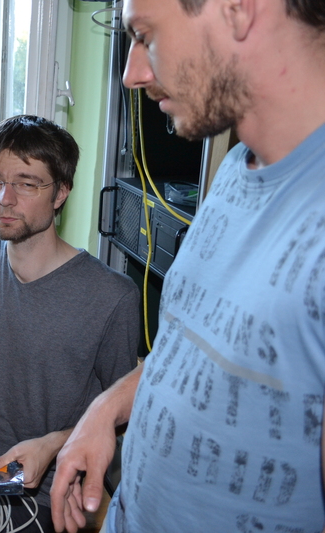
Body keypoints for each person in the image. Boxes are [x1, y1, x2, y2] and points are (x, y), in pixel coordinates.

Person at [50, 0, 325, 531]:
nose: (132, 74)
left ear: (239, 9)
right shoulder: (235, 171)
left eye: (146, 35)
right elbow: (197, 348)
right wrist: (106, 408)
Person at [0, 115, 141, 532]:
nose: (4, 199)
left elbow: (122, 415)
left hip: (40, 485)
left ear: (60, 192)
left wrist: (54, 444)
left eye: (27, 184)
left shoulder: (112, 296)